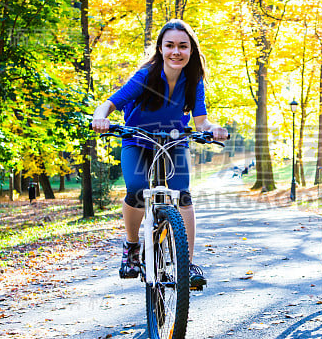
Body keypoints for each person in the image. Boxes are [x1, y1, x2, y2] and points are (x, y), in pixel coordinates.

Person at [92, 19, 228, 287]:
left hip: (173, 140)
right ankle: (132, 247)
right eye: (170, 46)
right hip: (138, 139)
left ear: (191, 51)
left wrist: (214, 129)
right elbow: (109, 104)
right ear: (161, 49)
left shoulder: (193, 81)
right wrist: (100, 118)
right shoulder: (147, 76)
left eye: (182, 46)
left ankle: (186, 264)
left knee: (183, 194)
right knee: (138, 189)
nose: (176, 52)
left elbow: (201, 122)